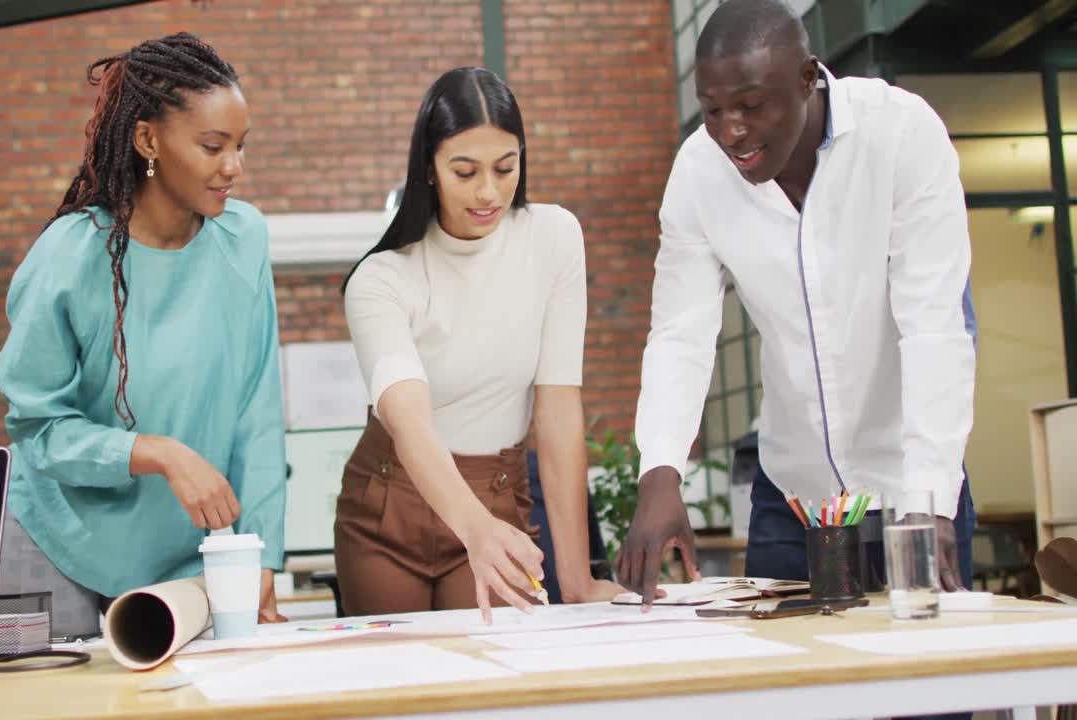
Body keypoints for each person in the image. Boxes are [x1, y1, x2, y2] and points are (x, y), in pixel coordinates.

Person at [620, 0, 977, 609]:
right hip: (793, 498)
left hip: (912, 490)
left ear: (808, 79)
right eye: (712, 110)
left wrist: (929, 500)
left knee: (929, 693)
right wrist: (660, 471)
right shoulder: (698, 174)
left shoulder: (901, 134)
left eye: (751, 106)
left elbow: (934, 327)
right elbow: (680, 333)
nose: (730, 130)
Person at [0, 32, 287, 638]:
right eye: (213, 146)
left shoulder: (244, 239)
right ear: (148, 139)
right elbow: (38, 426)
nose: (234, 166)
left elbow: (258, 410)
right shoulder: (68, 257)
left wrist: (261, 549)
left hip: (188, 565)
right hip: (57, 544)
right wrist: (158, 453)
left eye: (240, 146)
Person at [337, 67, 623, 623]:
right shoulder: (381, 280)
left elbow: (559, 410)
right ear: (429, 168)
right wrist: (472, 525)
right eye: (464, 172)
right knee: (406, 695)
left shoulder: (554, 239)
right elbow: (409, 420)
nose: (488, 192)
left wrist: (578, 579)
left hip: (497, 498)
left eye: (505, 167)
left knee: (500, 679)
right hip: (387, 513)